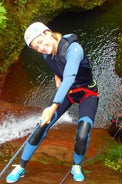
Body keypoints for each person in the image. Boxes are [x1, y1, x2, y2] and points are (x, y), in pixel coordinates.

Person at [6, 22, 99, 183]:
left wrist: (52, 107)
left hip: (87, 92)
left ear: (48, 33)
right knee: (41, 125)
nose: (41, 48)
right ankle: (20, 167)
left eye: (41, 41)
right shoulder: (46, 55)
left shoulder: (74, 49)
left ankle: (76, 166)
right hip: (68, 92)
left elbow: (70, 78)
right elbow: (59, 69)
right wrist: (56, 76)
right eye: (36, 47)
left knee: (83, 132)